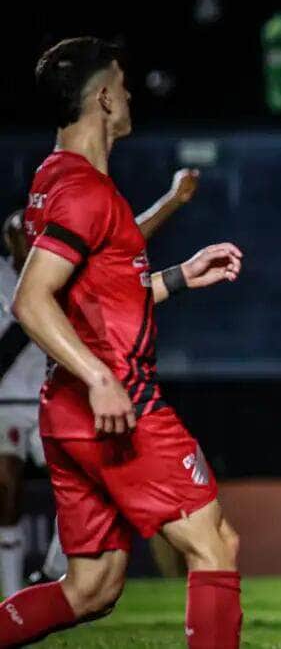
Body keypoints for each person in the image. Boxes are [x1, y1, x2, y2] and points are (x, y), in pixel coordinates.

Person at [0, 36, 243, 648]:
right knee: (214, 544)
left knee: (92, 588)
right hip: (117, 406)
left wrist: (183, 276)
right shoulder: (84, 191)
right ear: (105, 98)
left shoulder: (57, 180)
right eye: (124, 84)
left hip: (68, 410)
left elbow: (99, 302)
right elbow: (31, 300)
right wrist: (102, 379)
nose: (131, 94)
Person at [1, 170, 197, 597]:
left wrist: (172, 203)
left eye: (28, 234)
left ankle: (49, 574)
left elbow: (122, 249)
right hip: (16, 403)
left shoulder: (66, 261)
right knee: (8, 487)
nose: (24, 243)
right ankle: (20, 588)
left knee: (103, 487)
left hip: (66, 396)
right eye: (16, 236)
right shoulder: (32, 281)